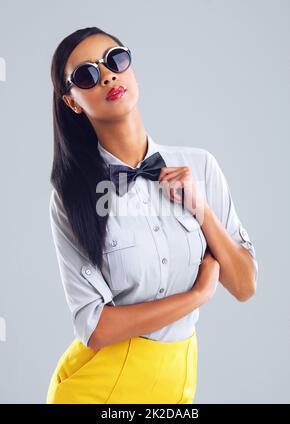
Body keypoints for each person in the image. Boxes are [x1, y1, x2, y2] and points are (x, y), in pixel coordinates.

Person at [46, 26, 258, 404]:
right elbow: (93, 326)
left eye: (115, 59)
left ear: (130, 67)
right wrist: (197, 295)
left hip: (176, 383)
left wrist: (202, 209)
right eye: (87, 75)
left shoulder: (201, 166)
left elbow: (244, 285)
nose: (108, 75)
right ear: (73, 102)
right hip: (98, 388)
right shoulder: (70, 200)